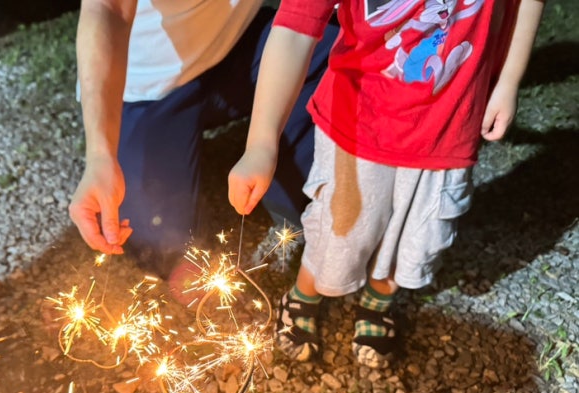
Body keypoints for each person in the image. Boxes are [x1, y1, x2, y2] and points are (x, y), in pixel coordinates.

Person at [228, 0, 544, 366]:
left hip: (450, 129)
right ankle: (303, 296)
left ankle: (377, 303)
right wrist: (261, 144)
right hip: (357, 124)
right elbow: (295, 27)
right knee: (339, 234)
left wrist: (509, 80)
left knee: (417, 239)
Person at [68, 0, 339, 280]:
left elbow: (302, 19)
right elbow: (107, 8)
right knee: (160, 241)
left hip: (239, 44)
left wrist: (262, 146)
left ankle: (294, 202)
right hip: (148, 89)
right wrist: (100, 155)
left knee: (341, 49)